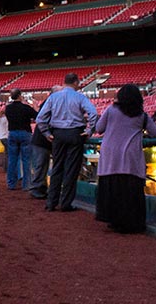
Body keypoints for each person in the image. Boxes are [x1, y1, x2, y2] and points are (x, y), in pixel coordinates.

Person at [94, 84, 156, 233]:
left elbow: (99, 128)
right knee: (131, 191)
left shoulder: (111, 110)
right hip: (130, 157)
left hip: (110, 156)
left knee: (113, 189)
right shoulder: (142, 116)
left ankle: (114, 220)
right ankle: (131, 223)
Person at [36, 72, 98, 212]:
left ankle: (51, 202)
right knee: (71, 169)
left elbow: (40, 118)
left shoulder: (53, 97)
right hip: (75, 133)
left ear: (64, 82)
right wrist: (89, 131)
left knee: (57, 167)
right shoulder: (80, 97)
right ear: (76, 82)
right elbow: (93, 113)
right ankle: (66, 204)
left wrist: (46, 133)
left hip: (57, 134)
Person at [28, 87, 60, 199]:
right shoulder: (50, 103)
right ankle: (37, 188)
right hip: (42, 140)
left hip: (44, 139)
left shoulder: (48, 102)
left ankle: (40, 188)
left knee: (42, 166)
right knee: (41, 166)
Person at [5, 89, 37, 191]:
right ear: (20, 96)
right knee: (26, 160)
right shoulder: (26, 108)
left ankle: (11, 184)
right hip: (25, 133)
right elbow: (37, 116)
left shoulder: (8, 108)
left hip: (13, 133)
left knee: (12, 159)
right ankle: (26, 184)